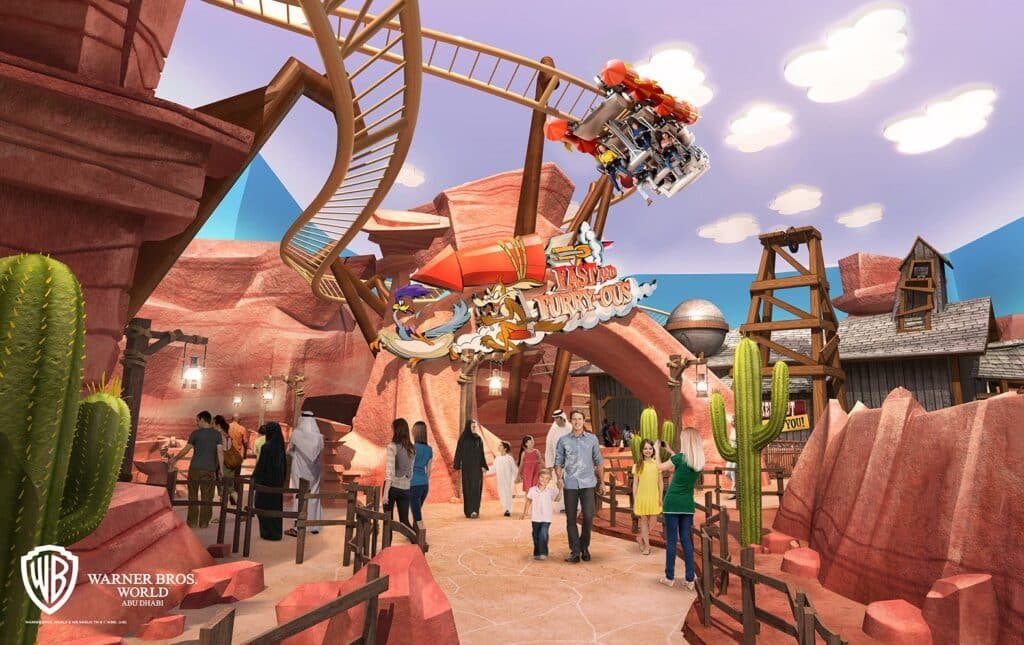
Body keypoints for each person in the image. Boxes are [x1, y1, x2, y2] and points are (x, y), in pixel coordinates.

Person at [654, 427, 705, 589]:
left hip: (672, 503)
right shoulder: (698, 462)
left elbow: (659, 466)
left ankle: (669, 577)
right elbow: (681, 460)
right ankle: (690, 579)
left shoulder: (679, 459)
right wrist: (669, 450)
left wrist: (657, 450)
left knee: (671, 541)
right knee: (686, 541)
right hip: (687, 505)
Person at [554, 409, 604, 563]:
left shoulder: (592, 439)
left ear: (584, 421)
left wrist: (602, 481)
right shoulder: (563, 440)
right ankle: (575, 552)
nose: (577, 422)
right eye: (574, 419)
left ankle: (584, 546)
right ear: (571, 421)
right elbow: (558, 462)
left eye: (579, 419)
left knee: (588, 516)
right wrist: (559, 478)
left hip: (588, 483)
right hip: (570, 484)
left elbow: (599, 461)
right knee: (571, 519)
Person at [168, 411, 224, 529]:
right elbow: (220, 452)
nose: (196, 423)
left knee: (192, 496)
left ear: (203, 420)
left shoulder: (195, 434)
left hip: (194, 469)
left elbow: (186, 449)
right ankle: (203, 523)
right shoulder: (217, 435)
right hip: (209, 470)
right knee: (207, 497)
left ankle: (192, 522)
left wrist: (175, 459)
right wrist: (221, 469)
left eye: (197, 420)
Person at [286, 411, 324, 537]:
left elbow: (290, 450)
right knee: (314, 494)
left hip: (299, 469)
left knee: (299, 494)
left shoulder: (296, 434)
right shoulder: (319, 437)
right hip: (314, 471)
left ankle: (297, 527)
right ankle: (314, 525)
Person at [252, 421, 287, 540]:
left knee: (261, 505)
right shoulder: (281, 447)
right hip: (277, 484)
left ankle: (266, 532)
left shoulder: (266, 447)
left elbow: (261, 466)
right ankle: (276, 533)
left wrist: (254, 478)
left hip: (265, 483)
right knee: (275, 508)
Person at [521, 468, 562, 560]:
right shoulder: (532, 490)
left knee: (543, 533)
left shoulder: (550, 491)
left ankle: (543, 552)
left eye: (547, 478)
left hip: (546, 518)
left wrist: (560, 490)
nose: (544, 480)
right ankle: (537, 552)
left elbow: (557, 499)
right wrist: (525, 513)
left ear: (549, 481)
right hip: (535, 517)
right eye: (542, 477)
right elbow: (528, 501)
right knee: (535, 535)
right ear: (538, 478)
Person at [383, 418, 416, 530]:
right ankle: (417, 540)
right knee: (405, 521)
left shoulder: (392, 447)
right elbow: (411, 472)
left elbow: (389, 472)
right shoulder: (412, 449)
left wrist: (385, 493)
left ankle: (387, 547)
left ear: (396, 430)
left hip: (392, 487)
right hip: (406, 488)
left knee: (388, 523)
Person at [632, 439, 662, 555]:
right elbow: (635, 484)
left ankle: (640, 538)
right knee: (644, 521)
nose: (648, 451)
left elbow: (660, 482)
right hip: (642, 497)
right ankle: (647, 547)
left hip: (653, 496)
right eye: (645, 448)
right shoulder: (637, 465)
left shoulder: (657, 464)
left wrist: (660, 497)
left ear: (653, 450)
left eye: (650, 448)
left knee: (653, 521)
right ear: (642, 450)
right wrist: (635, 499)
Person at [453, 419, 487, 518]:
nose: (474, 428)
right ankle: (468, 511)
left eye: (475, 426)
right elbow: (458, 452)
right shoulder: (463, 439)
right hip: (467, 468)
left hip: (476, 468)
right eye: (473, 426)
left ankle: (475, 510)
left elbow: (481, 453)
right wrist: (457, 464)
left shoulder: (478, 439)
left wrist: (483, 465)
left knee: (476, 489)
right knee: (467, 489)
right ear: (468, 427)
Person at [544, 410, 571, 512]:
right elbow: (549, 448)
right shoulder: (553, 430)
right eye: (554, 418)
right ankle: (562, 506)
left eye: (557, 418)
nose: (555, 420)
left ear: (562, 417)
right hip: (558, 463)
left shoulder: (570, 428)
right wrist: (550, 465)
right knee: (559, 484)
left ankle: (573, 506)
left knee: (571, 484)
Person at [410, 421, 433, 529]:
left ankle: (421, 537)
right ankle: (415, 533)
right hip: (424, 485)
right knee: (417, 511)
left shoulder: (411, 448)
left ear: (415, 433)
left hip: (413, 484)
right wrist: (424, 480)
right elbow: (429, 471)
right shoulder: (429, 449)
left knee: (417, 516)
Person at [213, 415, 237, 506]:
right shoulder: (227, 435)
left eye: (213, 424)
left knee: (223, 491)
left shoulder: (219, 436)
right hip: (230, 465)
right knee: (231, 489)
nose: (212, 426)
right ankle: (243, 510)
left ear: (218, 425)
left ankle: (221, 517)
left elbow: (220, 453)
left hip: (223, 466)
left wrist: (221, 469)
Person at [490, 441, 517, 517]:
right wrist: (485, 470)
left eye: (500, 446)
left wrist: (516, 477)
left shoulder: (509, 458)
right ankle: (505, 508)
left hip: (509, 480)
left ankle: (508, 509)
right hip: (500, 480)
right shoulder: (497, 459)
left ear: (505, 448)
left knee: (508, 494)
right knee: (502, 494)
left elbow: (514, 468)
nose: (499, 447)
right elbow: (493, 469)